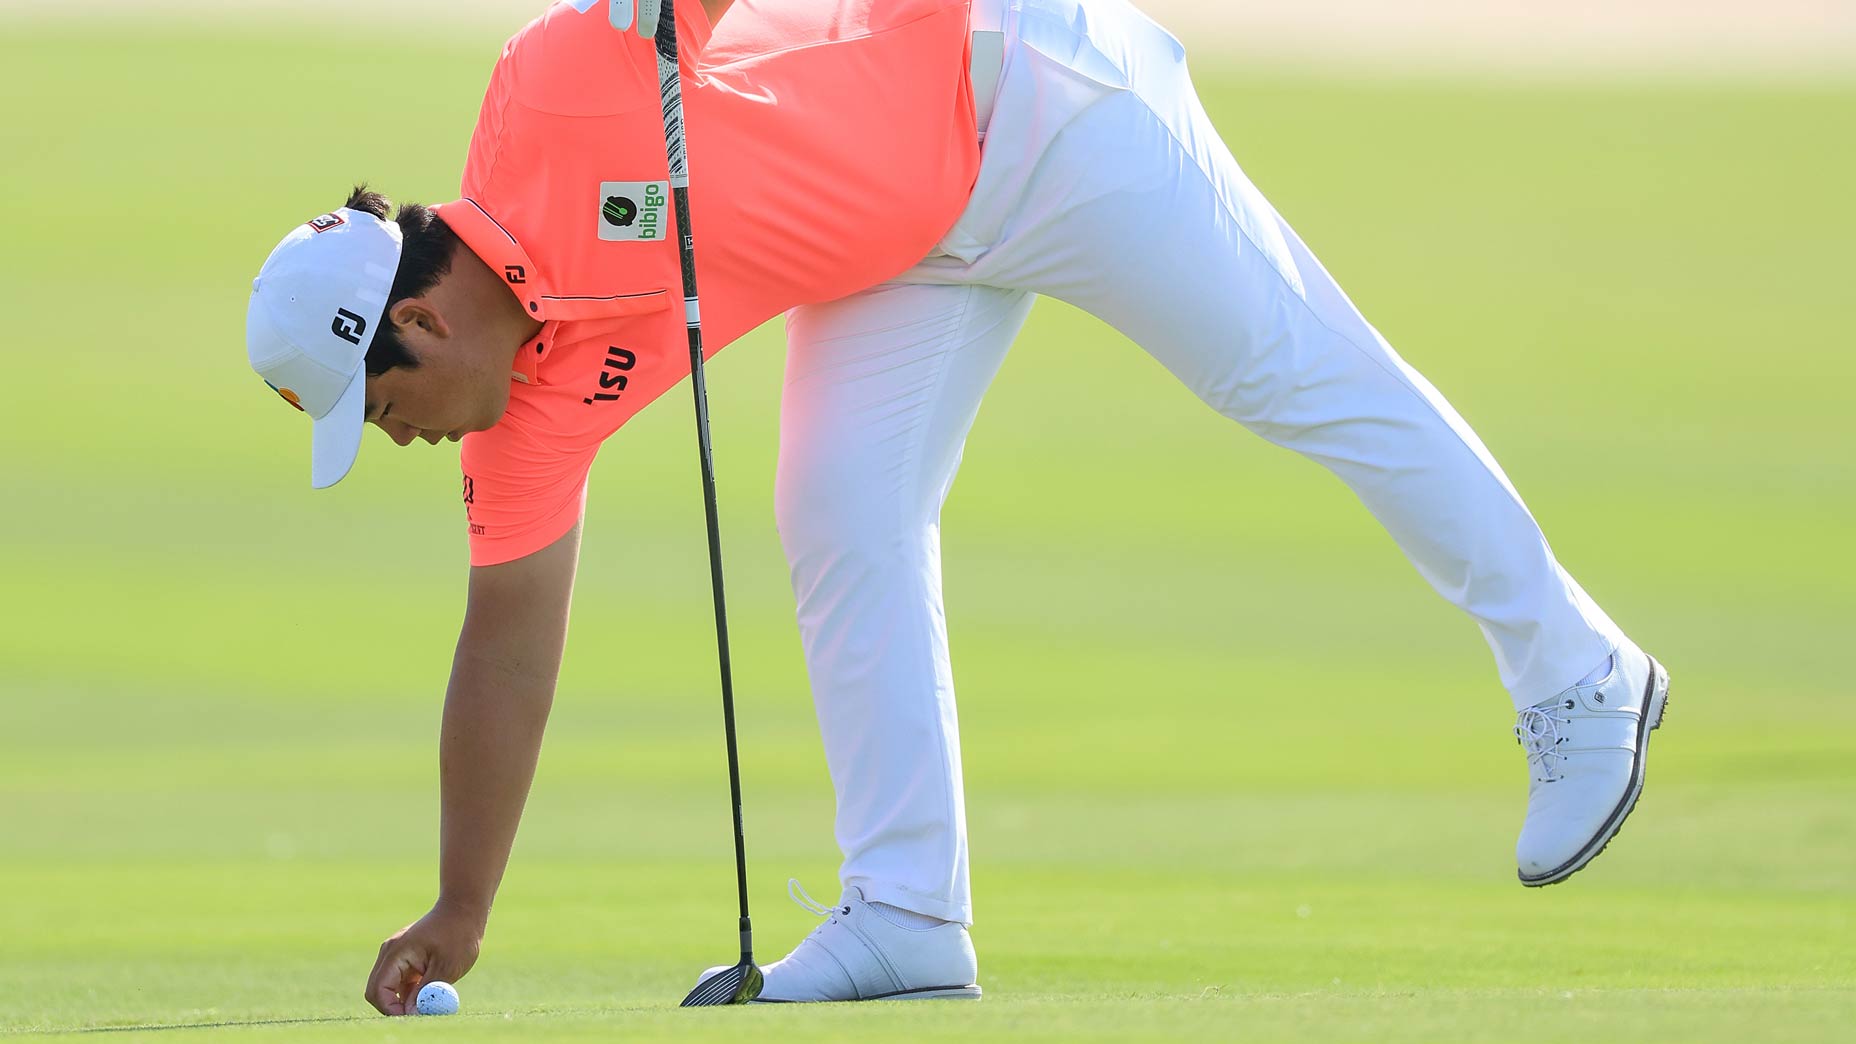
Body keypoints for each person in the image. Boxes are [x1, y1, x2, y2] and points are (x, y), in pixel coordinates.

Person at [243, 0, 1670, 1013]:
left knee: (1295, 373)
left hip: (1030, 95)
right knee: (842, 508)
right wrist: (462, 909)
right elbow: (505, 652)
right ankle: (908, 911)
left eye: (379, 413)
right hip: (906, 242)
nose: (403, 441)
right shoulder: (520, 424)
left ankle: (1577, 671)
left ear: (417, 328)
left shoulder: (561, 77)